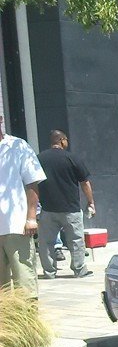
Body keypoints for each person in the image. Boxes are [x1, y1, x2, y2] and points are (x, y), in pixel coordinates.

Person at [37, 130, 96, 278]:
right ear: (62, 140)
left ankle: (49, 272)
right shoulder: (72, 158)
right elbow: (85, 183)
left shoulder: (39, 158)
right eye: (66, 140)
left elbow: (32, 183)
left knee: (46, 243)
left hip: (48, 208)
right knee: (76, 241)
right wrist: (90, 202)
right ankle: (79, 270)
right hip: (71, 208)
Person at [0, 115, 46, 299]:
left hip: (16, 226)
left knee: (24, 279)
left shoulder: (18, 146)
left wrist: (31, 217)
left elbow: (32, 183)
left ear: (1, 119)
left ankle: (28, 316)